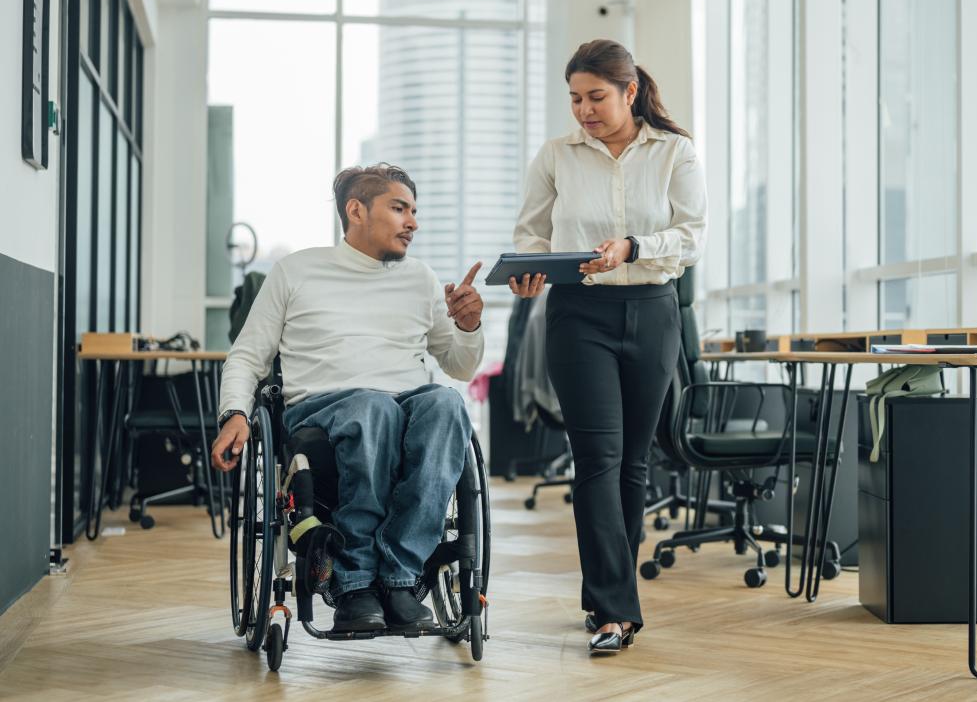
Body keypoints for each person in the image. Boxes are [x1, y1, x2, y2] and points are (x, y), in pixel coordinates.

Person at [211, 163, 486, 633]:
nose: (413, 222)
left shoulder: (420, 278)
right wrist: (235, 413)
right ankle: (353, 580)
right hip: (321, 409)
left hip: (404, 403)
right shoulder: (295, 271)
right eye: (399, 209)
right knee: (371, 407)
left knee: (446, 403)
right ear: (356, 210)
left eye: (415, 211)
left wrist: (468, 325)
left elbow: (459, 365)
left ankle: (400, 575)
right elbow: (246, 357)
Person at [511, 38, 707, 654]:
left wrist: (633, 246)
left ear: (629, 91)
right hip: (578, 315)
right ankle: (617, 609)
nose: (583, 110)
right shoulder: (556, 155)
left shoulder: (675, 151)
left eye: (596, 97)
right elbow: (531, 234)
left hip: (652, 313)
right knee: (596, 459)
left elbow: (691, 236)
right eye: (574, 99)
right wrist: (526, 272)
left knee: (633, 464)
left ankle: (605, 596)